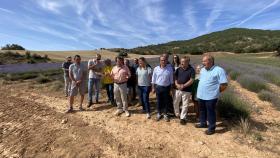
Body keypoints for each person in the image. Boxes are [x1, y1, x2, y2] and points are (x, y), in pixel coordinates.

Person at [196, 53, 228, 135]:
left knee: (211, 112)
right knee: (202, 110)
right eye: (202, 61)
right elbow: (201, 80)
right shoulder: (203, 70)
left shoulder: (219, 70)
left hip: (211, 96)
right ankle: (203, 123)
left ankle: (211, 128)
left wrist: (216, 92)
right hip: (201, 95)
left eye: (204, 61)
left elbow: (224, 85)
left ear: (210, 61)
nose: (202, 63)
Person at [173, 56, 195, 125]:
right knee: (175, 102)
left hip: (187, 90)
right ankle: (177, 114)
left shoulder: (191, 70)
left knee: (185, 104)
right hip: (178, 89)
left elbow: (192, 80)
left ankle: (183, 118)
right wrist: (177, 84)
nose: (182, 63)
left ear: (188, 62)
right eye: (181, 61)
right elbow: (175, 78)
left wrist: (184, 85)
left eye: (184, 62)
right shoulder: (178, 69)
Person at [152, 55, 173, 122]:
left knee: (166, 102)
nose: (163, 61)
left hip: (167, 88)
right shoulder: (156, 69)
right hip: (158, 87)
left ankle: (165, 114)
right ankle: (159, 113)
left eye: (164, 60)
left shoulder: (170, 69)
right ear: (159, 61)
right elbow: (153, 79)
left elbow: (171, 80)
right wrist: (153, 88)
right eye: (162, 60)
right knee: (159, 101)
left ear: (166, 61)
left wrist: (171, 89)